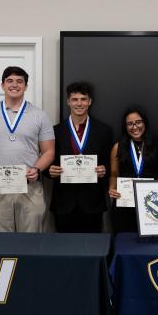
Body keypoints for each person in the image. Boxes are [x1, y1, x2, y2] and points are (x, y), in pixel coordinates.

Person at [0, 66, 55, 232]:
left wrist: (37, 169)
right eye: (9, 81)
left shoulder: (40, 115)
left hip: (29, 186)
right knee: (1, 242)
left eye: (19, 81)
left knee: (31, 240)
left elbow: (49, 151)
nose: (14, 85)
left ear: (25, 86)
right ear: (2, 85)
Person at [48, 82, 113, 233]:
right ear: (68, 101)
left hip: (92, 202)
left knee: (92, 247)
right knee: (64, 248)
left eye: (83, 99)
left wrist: (104, 170)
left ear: (90, 101)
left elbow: (110, 165)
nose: (79, 103)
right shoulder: (55, 131)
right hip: (64, 202)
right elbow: (47, 162)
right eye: (75, 99)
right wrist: (49, 172)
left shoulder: (103, 131)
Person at [108, 108, 158, 233]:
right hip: (124, 204)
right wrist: (112, 188)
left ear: (145, 123)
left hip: (151, 205)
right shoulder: (118, 147)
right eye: (130, 124)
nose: (134, 127)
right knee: (124, 241)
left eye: (138, 122)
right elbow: (114, 174)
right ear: (125, 126)